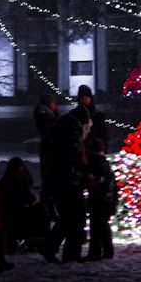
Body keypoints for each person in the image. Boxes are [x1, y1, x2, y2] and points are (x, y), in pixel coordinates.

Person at [44, 105, 90, 262]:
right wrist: (84, 171)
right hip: (70, 181)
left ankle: (54, 248)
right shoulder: (72, 133)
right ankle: (65, 251)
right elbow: (75, 157)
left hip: (62, 180)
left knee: (68, 217)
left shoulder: (62, 130)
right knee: (74, 217)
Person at [0, 155, 50, 251]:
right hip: (12, 220)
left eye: (22, 172)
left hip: (18, 216)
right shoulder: (11, 184)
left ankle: (41, 240)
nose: (20, 174)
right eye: (18, 172)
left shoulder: (13, 182)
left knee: (41, 210)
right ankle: (41, 240)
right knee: (41, 210)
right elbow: (28, 199)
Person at [84, 137, 118, 261]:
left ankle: (95, 252)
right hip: (106, 198)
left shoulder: (94, 161)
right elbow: (110, 182)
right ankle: (108, 250)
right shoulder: (104, 162)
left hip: (98, 198)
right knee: (103, 225)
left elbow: (96, 181)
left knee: (96, 225)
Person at [32, 91, 58, 215]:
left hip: (50, 150)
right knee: (49, 181)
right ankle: (48, 209)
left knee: (50, 181)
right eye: (53, 103)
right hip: (49, 150)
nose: (55, 105)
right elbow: (48, 133)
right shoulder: (45, 116)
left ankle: (49, 208)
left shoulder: (48, 116)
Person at [73, 85, 107, 152]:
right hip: (79, 147)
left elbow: (102, 131)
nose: (84, 99)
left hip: (94, 146)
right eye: (82, 97)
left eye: (86, 97)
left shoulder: (98, 115)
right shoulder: (74, 114)